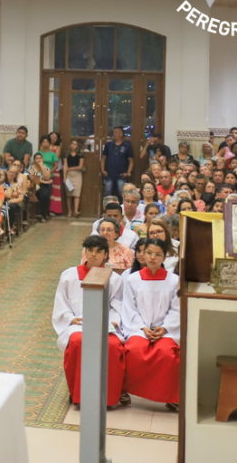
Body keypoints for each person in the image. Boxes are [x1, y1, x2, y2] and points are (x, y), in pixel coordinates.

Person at [53, 235, 127, 409]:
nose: (93, 255)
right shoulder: (69, 275)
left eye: (98, 251)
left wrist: (113, 321)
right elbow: (60, 303)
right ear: (84, 251)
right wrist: (71, 318)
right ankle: (78, 395)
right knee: (78, 342)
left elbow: (118, 306)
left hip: (104, 324)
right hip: (78, 325)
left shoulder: (115, 279)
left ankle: (108, 398)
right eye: (90, 250)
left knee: (113, 345)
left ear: (105, 255)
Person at [121, 237, 181, 408]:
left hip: (167, 330)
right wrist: (142, 328)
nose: (153, 258)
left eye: (157, 254)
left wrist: (165, 327)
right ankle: (129, 391)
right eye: (149, 253)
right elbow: (129, 309)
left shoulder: (174, 281)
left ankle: (170, 397)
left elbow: (176, 309)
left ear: (165, 257)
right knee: (134, 350)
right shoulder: (132, 280)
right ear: (143, 255)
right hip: (140, 328)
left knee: (167, 353)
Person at [101, 126, 133, 198]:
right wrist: (103, 170)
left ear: (121, 134)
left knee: (122, 193)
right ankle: (107, 208)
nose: (114, 134)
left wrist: (128, 173)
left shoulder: (127, 146)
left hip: (121, 175)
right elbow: (103, 159)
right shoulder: (108, 145)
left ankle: (122, 208)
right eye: (114, 132)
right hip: (109, 174)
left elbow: (131, 161)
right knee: (107, 192)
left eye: (116, 132)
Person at [64, 140, 84, 217]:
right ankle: (69, 211)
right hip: (69, 175)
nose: (73, 145)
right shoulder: (66, 155)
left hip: (77, 175)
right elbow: (65, 166)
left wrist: (69, 169)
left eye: (75, 144)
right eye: (72, 144)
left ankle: (76, 210)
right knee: (68, 194)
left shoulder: (80, 155)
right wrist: (64, 176)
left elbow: (80, 166)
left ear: (77, 146)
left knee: (76, 194)